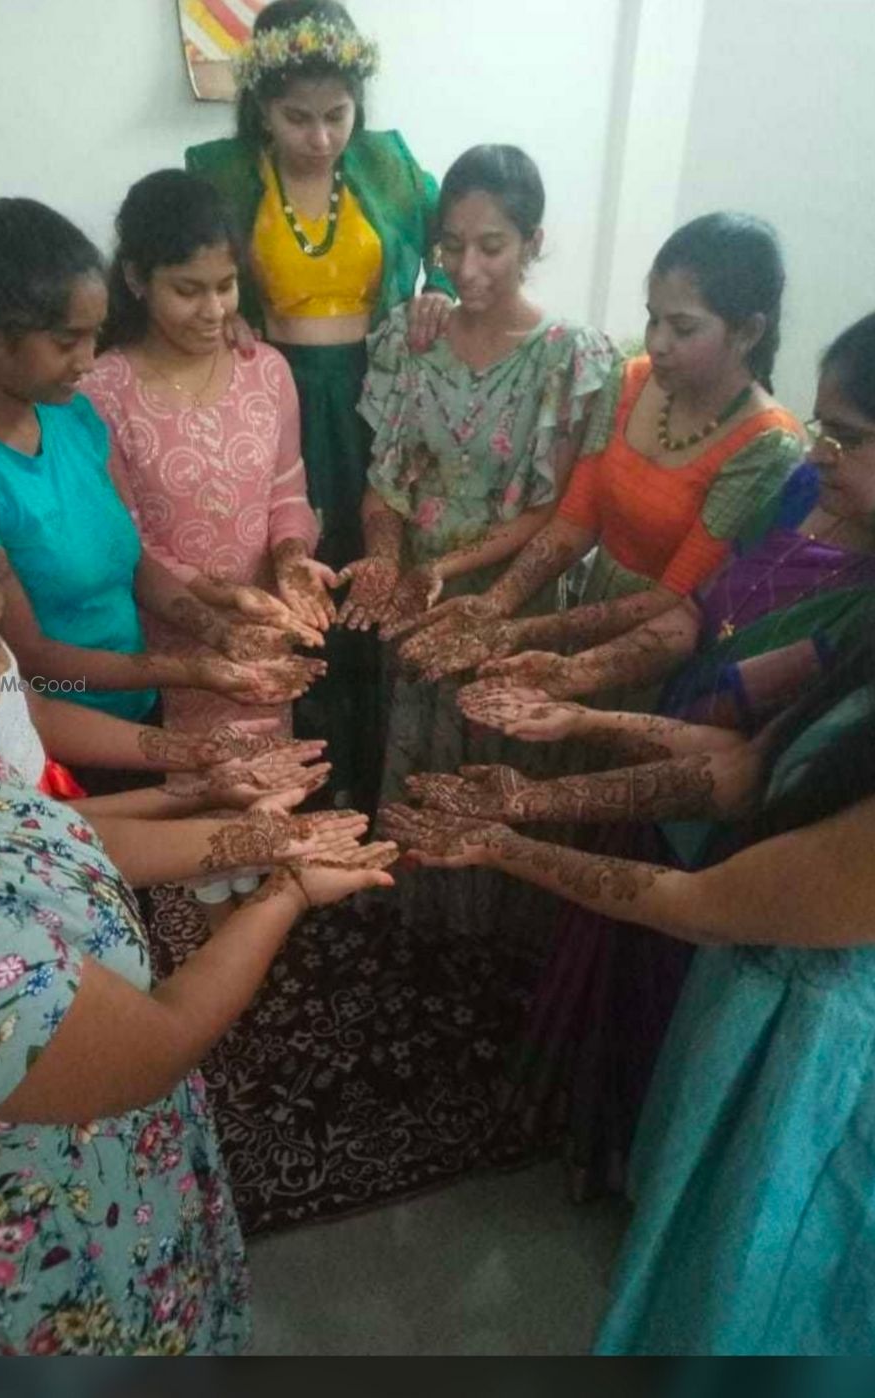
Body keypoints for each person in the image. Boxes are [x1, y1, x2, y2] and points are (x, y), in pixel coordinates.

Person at [0, 467, 396, 1355]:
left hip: (110, 1174)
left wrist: (215, 804)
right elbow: (157, 1041)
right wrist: (289, 890)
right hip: (38, 1260)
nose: (1, 670)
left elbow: (44, 831)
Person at [442, 312, 875, 1196]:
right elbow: (698, 634)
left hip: (757, 890)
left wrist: (517, 819)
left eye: (850, 437)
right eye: (823, 427)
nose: (822, 451)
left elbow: (730, 833)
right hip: (689, 785)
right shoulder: (800, 491)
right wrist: (572, 691)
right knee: (623, 982)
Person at [382, 614, 875, 1354]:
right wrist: (561, 750)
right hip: (755, 1009)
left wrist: (502, 844)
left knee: (761, 1302)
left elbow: (706, 905)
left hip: (826, 1078)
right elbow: (744, 774)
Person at [0, 197, 323, 782]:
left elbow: (133, 558)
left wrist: (218, 626)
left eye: (93, 338)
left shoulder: (70, 418)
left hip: (140, 711)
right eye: (68, 342)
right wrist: (192, 671)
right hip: (55, 743)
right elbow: (38, 668)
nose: (88, 362)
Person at [338, 143, 620, 934]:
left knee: (501, 753)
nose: (468, 266)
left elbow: (554, 513)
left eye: (491, 244)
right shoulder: (409, 337)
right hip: (417, 592)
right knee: (421, 752)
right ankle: (423, 906)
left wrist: (450, 575)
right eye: (450, 246)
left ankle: (500, 920)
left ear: (532, 242)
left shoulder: (572, 358)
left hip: (513, 593)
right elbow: (385, 480)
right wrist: (389, 560)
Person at [185, 0, 453, 811]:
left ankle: (371, 764)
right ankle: (294, 761)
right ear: (261, 106)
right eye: (297, 117)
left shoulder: (394, 170)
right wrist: (222, 304)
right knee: (286, 564)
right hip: (271, 389)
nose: (321, 137)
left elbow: (455, 246)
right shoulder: (222, 174)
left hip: (376, 394)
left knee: (371, 563)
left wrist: (438, 292)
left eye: (337, 115)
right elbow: (190, 262)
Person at [0, 349, 330, 808]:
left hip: (109, 726)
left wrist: (197, 753)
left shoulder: (72, 420)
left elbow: (31, 709)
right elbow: (42, 823)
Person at [397, 212, 804, 686]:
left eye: (683, 329)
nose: (659, 343)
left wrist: (523, 630)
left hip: (661, 655)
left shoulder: (766, 444)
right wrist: (496, 604)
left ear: (748, 332)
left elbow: (675, 598)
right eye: (653, 319)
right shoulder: (628, 381)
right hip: (590, 621)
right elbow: (574, 522)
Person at [86, 169, 336, 911]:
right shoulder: (104, 390)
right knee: (190, 828)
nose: (213, 308)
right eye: (187, 288)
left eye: (226, 285)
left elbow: (288, 487)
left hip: (266, 637)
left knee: (264, 815)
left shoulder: (267, 371)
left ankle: (255, 930)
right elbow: (123, 542)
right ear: (135, 278)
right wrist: (210, 625)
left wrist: (292, 563)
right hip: (173, 645)